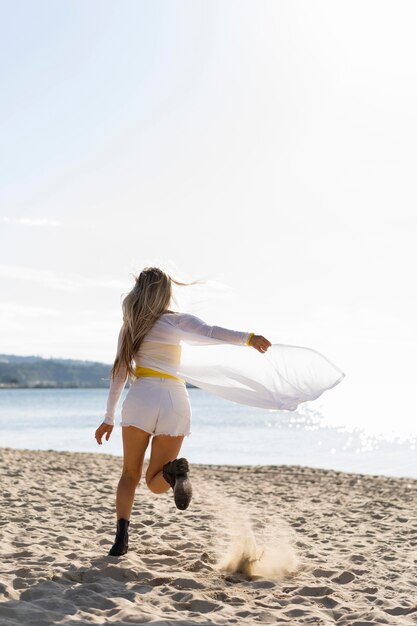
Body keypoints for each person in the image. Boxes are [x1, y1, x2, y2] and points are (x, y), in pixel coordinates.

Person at [95, 266, 272, 557]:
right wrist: (249, 338)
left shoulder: (130, 328)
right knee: (156, 482)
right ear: (165, 293)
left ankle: (121, 540)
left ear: (139, 292)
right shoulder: (176, 322)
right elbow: (211, 333)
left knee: (130, 474)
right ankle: (174, 476)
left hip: (142, 398)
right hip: (175, 400)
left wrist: (108, 418)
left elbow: (120, 374)